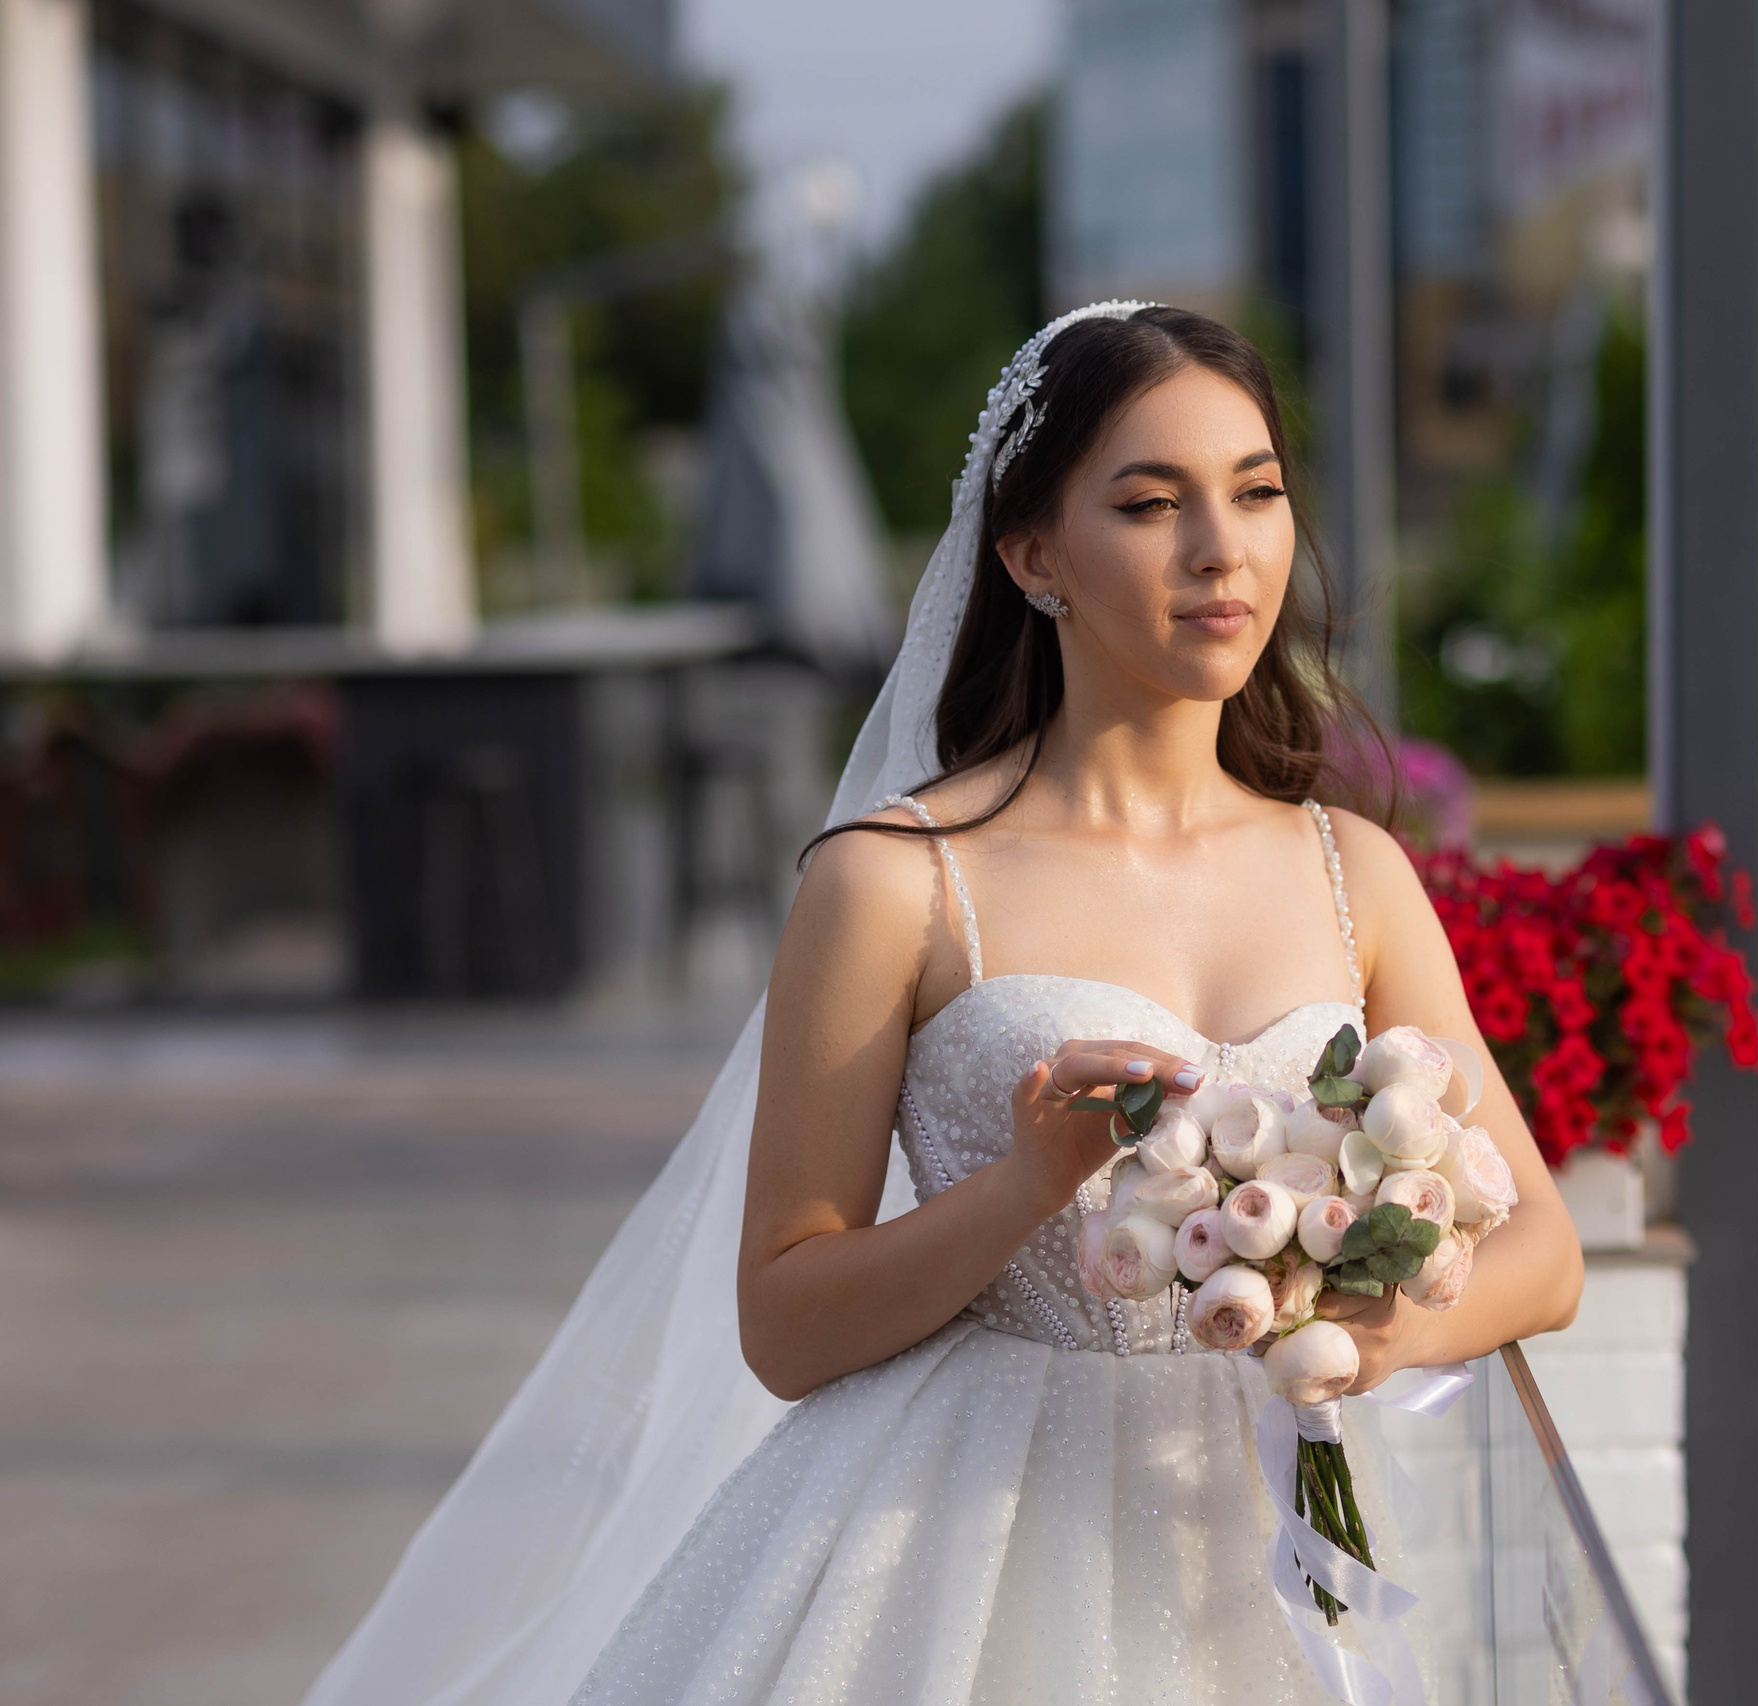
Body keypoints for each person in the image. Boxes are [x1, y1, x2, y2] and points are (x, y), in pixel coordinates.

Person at [302, 303, 1582, 1706]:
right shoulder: (894, 882)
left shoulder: (1357, 872)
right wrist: (1027, 1184)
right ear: (1034, 555)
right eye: (1153, 504)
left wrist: (1356, 1322)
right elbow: (785, 1323)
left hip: (1273, 1547)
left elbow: (1543, 1251)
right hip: (958, 1553)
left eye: (1258, 492)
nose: (1224, 550)